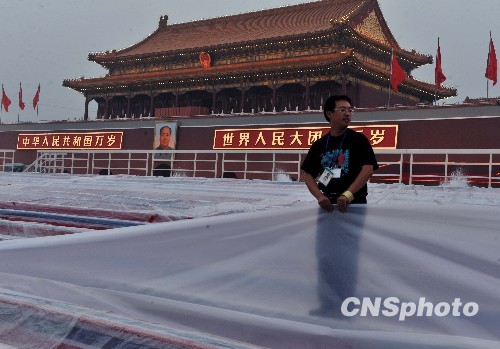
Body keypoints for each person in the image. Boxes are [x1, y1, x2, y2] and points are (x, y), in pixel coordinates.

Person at [301, 95, 378, 212]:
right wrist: (319, 196)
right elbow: (307, 175)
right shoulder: (319, 144)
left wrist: (347, 194)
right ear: (329, 114)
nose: (347, 113)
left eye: (350, 110)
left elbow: (368, 169)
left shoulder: (358, 140)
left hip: (354, 204)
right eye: (342, 110)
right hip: (327, 206)